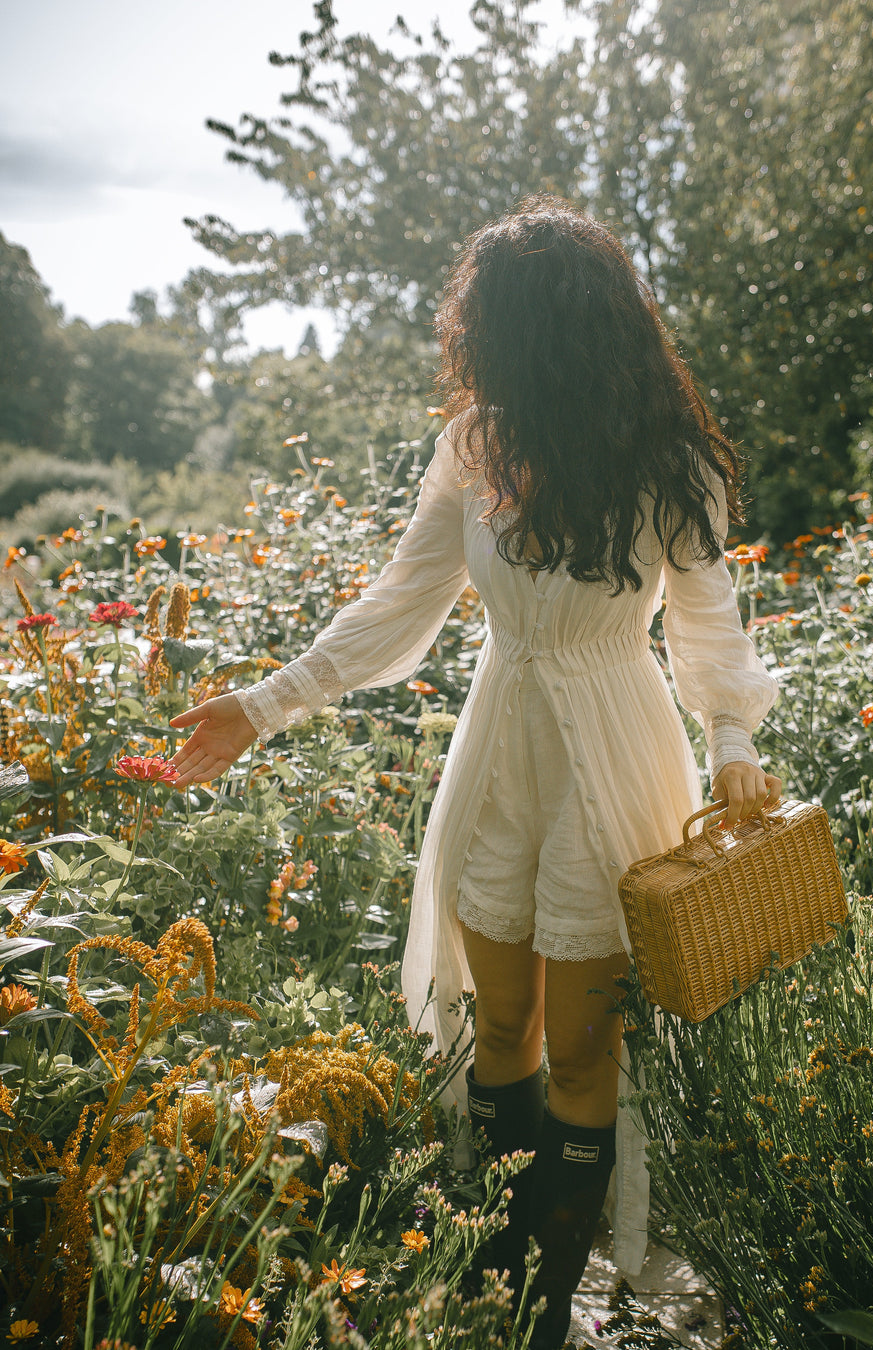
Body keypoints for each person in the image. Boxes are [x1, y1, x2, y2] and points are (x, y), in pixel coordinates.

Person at [168, 194, 780, 1349]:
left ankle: (548, 1308)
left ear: (537, 328)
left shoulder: (672, 457)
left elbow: (709, 627)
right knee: (504, 1028)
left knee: (587, 1042)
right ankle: (503, 1275)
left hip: (617, 738)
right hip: (503, 740)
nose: (473, 343)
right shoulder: (476, 446)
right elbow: (400, 602)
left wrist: (733, 744)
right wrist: (262, 704)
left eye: (487, 322)